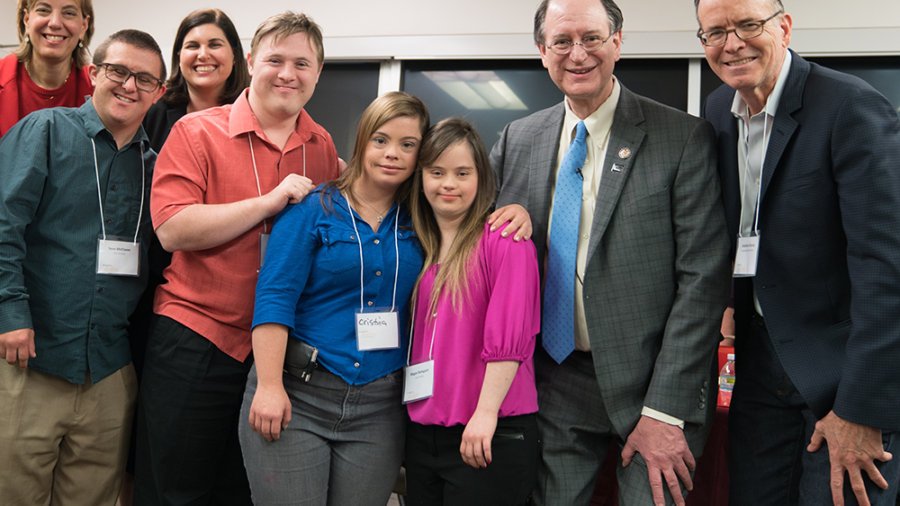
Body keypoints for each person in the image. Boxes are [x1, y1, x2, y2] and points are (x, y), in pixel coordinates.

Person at [488, 0, 732, 504]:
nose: (577, 54)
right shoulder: (518, 139)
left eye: (592, 38)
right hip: (556, 379)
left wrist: (664, 412)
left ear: (617, 42)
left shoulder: (682, 138)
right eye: (562, 41)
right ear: (541, 51)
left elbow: (703, 281)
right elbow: (468, 234)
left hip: (653, 383)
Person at [695, 0, 900, 504]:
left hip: (842, 372)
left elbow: (886, 270)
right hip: (761, 367)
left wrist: (862, 408)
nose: (732, 43)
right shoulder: (719, 110)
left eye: (748, 25)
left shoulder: (850, 106)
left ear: (784, 27)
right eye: (715, 31)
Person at [134, 11, 341, 506]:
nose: (287, 73)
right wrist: (269, 202)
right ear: (251, 62)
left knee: (244, 492)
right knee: (176, 490)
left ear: (318, 73)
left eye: (302, 63)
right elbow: (172, 228)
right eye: (274, 59)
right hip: (196, 338)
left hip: (276, 353)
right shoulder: (196, 132)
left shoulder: (322, 146)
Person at [238, 91, 428, 506]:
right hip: (299, 396)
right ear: (361, 141)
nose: (392, 153)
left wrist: (516, 211)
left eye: (407, 144)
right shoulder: (314, 209)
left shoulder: (424, 220)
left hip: (380, 408)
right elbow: (274, 298)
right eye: (381, 140)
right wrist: (269, 386)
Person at [0, 29, 165, 505]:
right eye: (118, 71)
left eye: (144, 79)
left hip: (109, 374)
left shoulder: (158, 167)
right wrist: (10, 313)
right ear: (93, 73)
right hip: (30, 361)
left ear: (157, 91)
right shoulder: (45, 131)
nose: (129, 86)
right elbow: (4, 227)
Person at [120, 9, 251, 505]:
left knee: (219, 460)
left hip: (227, 303)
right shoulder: (155, 114)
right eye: (192, 45)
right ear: (179, 57)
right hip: (156, 290)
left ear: (234, 56)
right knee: (157, 441)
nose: (203, 54)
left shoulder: (255, 118)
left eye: (216, 44)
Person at [403, 118, 541, 505]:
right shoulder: (420, 245)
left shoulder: (504, 240)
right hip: (424, 432)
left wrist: (485, 415)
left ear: (481, 178)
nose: (449, 184)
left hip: (488, 430)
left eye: (462, 173)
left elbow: (510, 340)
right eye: (437, 172)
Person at [1, 0, 94, 137]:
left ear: (83, 26)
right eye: (43, 10)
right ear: (26, 20)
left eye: (68, 13)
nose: (55, 23)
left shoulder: (97, 90)